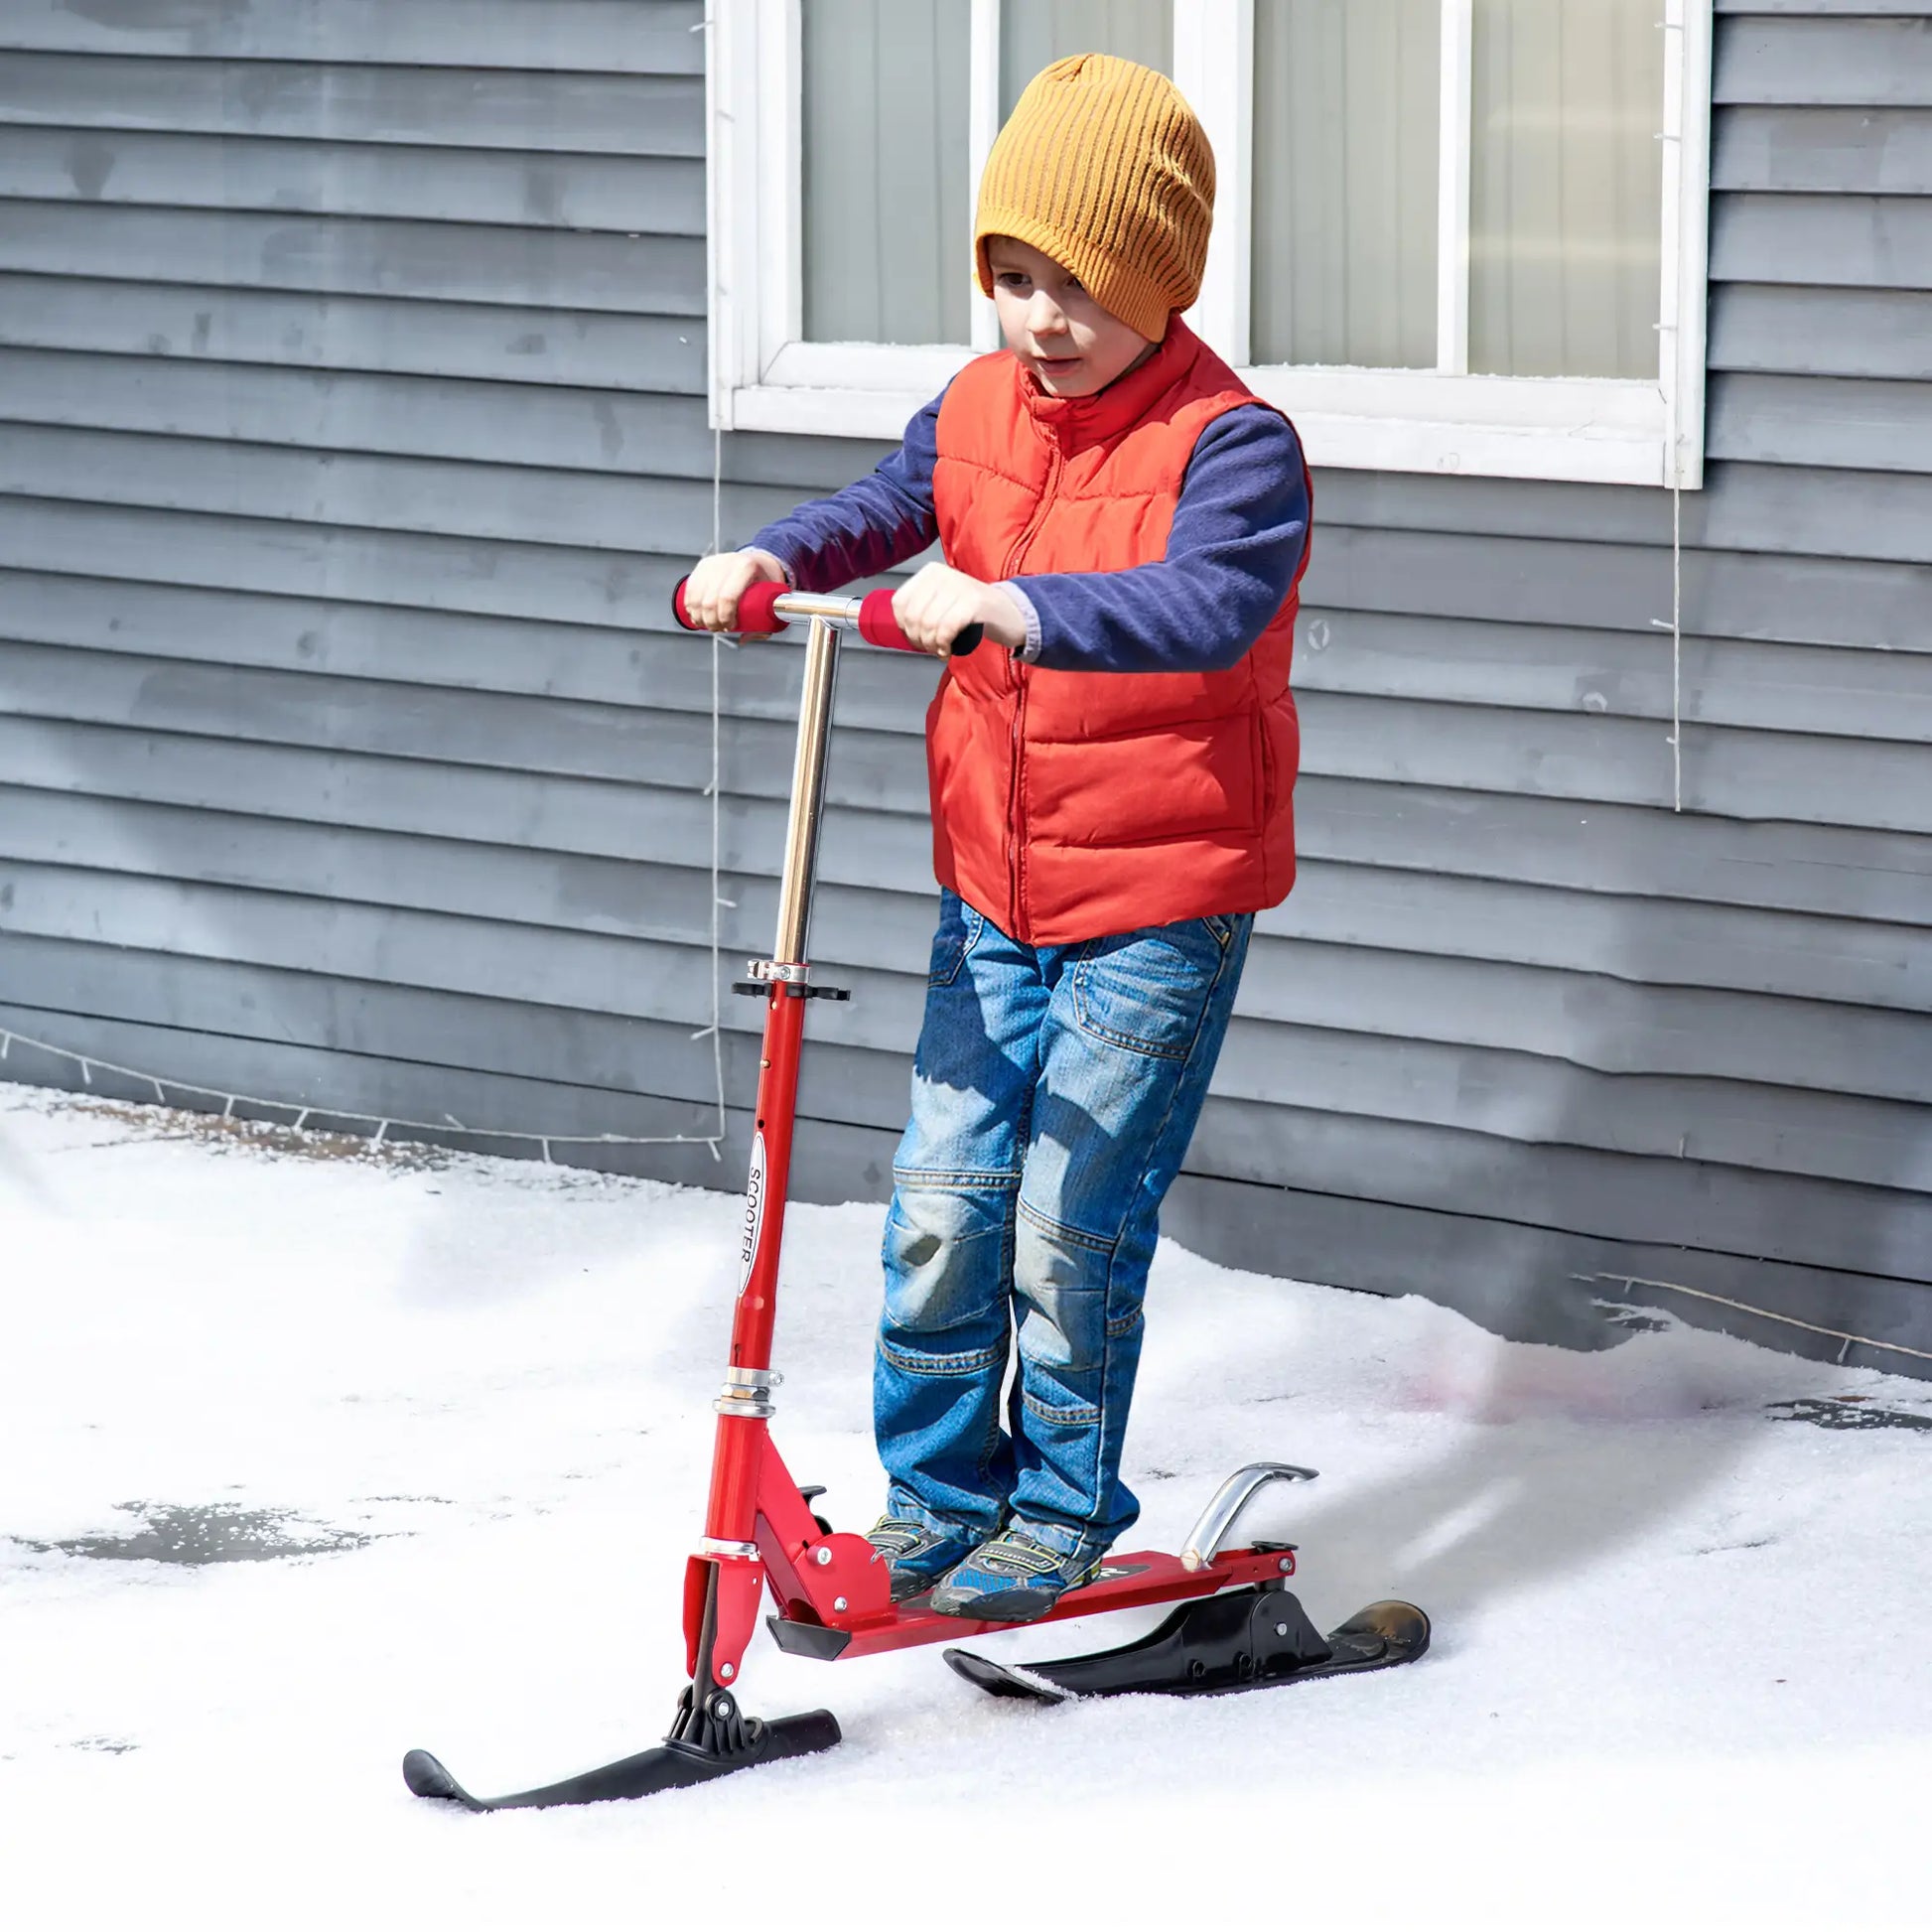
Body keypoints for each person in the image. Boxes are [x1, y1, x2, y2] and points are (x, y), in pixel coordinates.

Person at [680, 54, 1311, 1621]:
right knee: (941, 1206)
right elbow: (894, 503)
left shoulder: (1233, 445)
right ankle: (938, 1497)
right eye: (1013, 278)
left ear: (1160, 285)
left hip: (1155, 898)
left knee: (1064, 1217)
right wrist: (768, 556)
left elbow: (1210, 603)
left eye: (1079, 288)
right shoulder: (977, 405)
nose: (1040, 319)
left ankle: (1056, 1507)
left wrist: (1011, 605)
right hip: (992, 887)